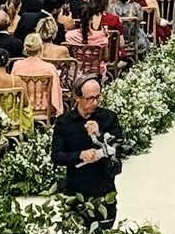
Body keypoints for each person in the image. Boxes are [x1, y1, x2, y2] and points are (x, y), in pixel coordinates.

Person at [50, 75, 123, 219]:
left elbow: (120, 146)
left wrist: (100, 134)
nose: (95, 102)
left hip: (104, 187)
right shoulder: (64, 122)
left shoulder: (108, 117)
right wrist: (80, 155)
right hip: (76, 189)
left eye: (97, 97)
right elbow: (56, 156)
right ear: (77, 98)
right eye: (90, 98)